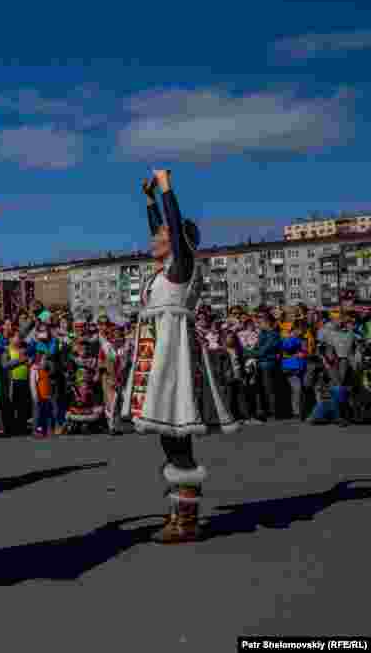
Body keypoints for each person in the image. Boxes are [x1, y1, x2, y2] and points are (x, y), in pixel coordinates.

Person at [122, 170, 239, 544]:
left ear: (176, 241)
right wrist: (149, 201)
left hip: (174, 359)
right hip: (158, 357)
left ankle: (186, 520)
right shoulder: (165, 271)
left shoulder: (182, 267)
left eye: (161, 235)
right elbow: (163, 227)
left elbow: (173, 229)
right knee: (169, 438)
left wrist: (165, 186)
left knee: (178, 439)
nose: (153, 239)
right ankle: (180, 511)